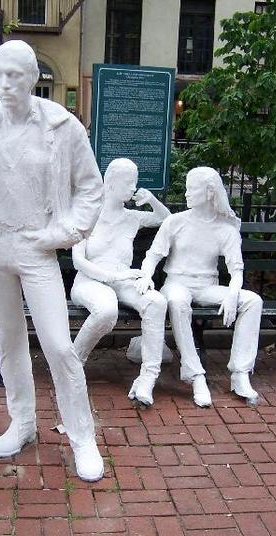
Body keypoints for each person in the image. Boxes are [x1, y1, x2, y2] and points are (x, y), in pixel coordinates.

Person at [0, 40, 105, 482]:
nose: (4, 83)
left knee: (58, 344)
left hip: (37, 247)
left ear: (33, 77)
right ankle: (22, 422)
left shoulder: (61, 125)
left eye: (14, 74)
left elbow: (90, 188)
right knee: (9, 340)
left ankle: (82, 437)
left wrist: (63, 234)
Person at [137, 167, 261, 407]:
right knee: (177, 301)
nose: (186, 194)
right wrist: (145, 276)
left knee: (253, 301)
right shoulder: (176, 221)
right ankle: (195, 375)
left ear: (209, 193)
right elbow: (153, 256)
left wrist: (233, 295)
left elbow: (237, 270)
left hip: (207, 287)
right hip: (177, 283)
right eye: (186, 188)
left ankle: (240, 373)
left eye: (192, 189)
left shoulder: (226, 228)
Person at [71, 158, 170, 406]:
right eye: (129, 182)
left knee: (156, 302)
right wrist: (113, 277)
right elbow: (78, 261)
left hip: (123, 279)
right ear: (111, 183)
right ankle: (71, 367)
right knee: (106, 310)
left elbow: (167, 220)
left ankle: (147, 379)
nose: (133, 187)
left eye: (135, 182)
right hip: (89, 280)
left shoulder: (132, 217)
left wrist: (152, 201)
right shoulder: (88, 215)